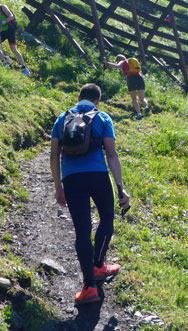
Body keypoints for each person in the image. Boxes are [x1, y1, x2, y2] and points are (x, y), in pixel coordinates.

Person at [50, 83, 131, 305]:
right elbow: (112, 155)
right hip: (98, 176)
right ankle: (99, 265)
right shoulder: (102, 118)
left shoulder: (62, 119)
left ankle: (89, 288)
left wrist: (58, 187)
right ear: (97, 101)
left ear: (78, 98)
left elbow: (54, 155)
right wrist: (120, 186)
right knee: (106, 218)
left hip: (72, 179)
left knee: (82, 231)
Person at [0, 0, 29, 75]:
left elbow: (11, 16)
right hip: (4, 31)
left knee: (13, 49)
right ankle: (4, 62)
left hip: (10, 30)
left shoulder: (3, 7)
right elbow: (1, 27)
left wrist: (1, 22)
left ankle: (24, 68)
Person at [105, 54, 148, 120]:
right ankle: (146, 107)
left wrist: (107, 63)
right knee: (142, 98)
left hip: (131, 79)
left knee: (134, 99)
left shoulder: (123, 62)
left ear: (119, 60)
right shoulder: (133, 62)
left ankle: (139, 114)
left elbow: (117, 66)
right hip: (140, 78)